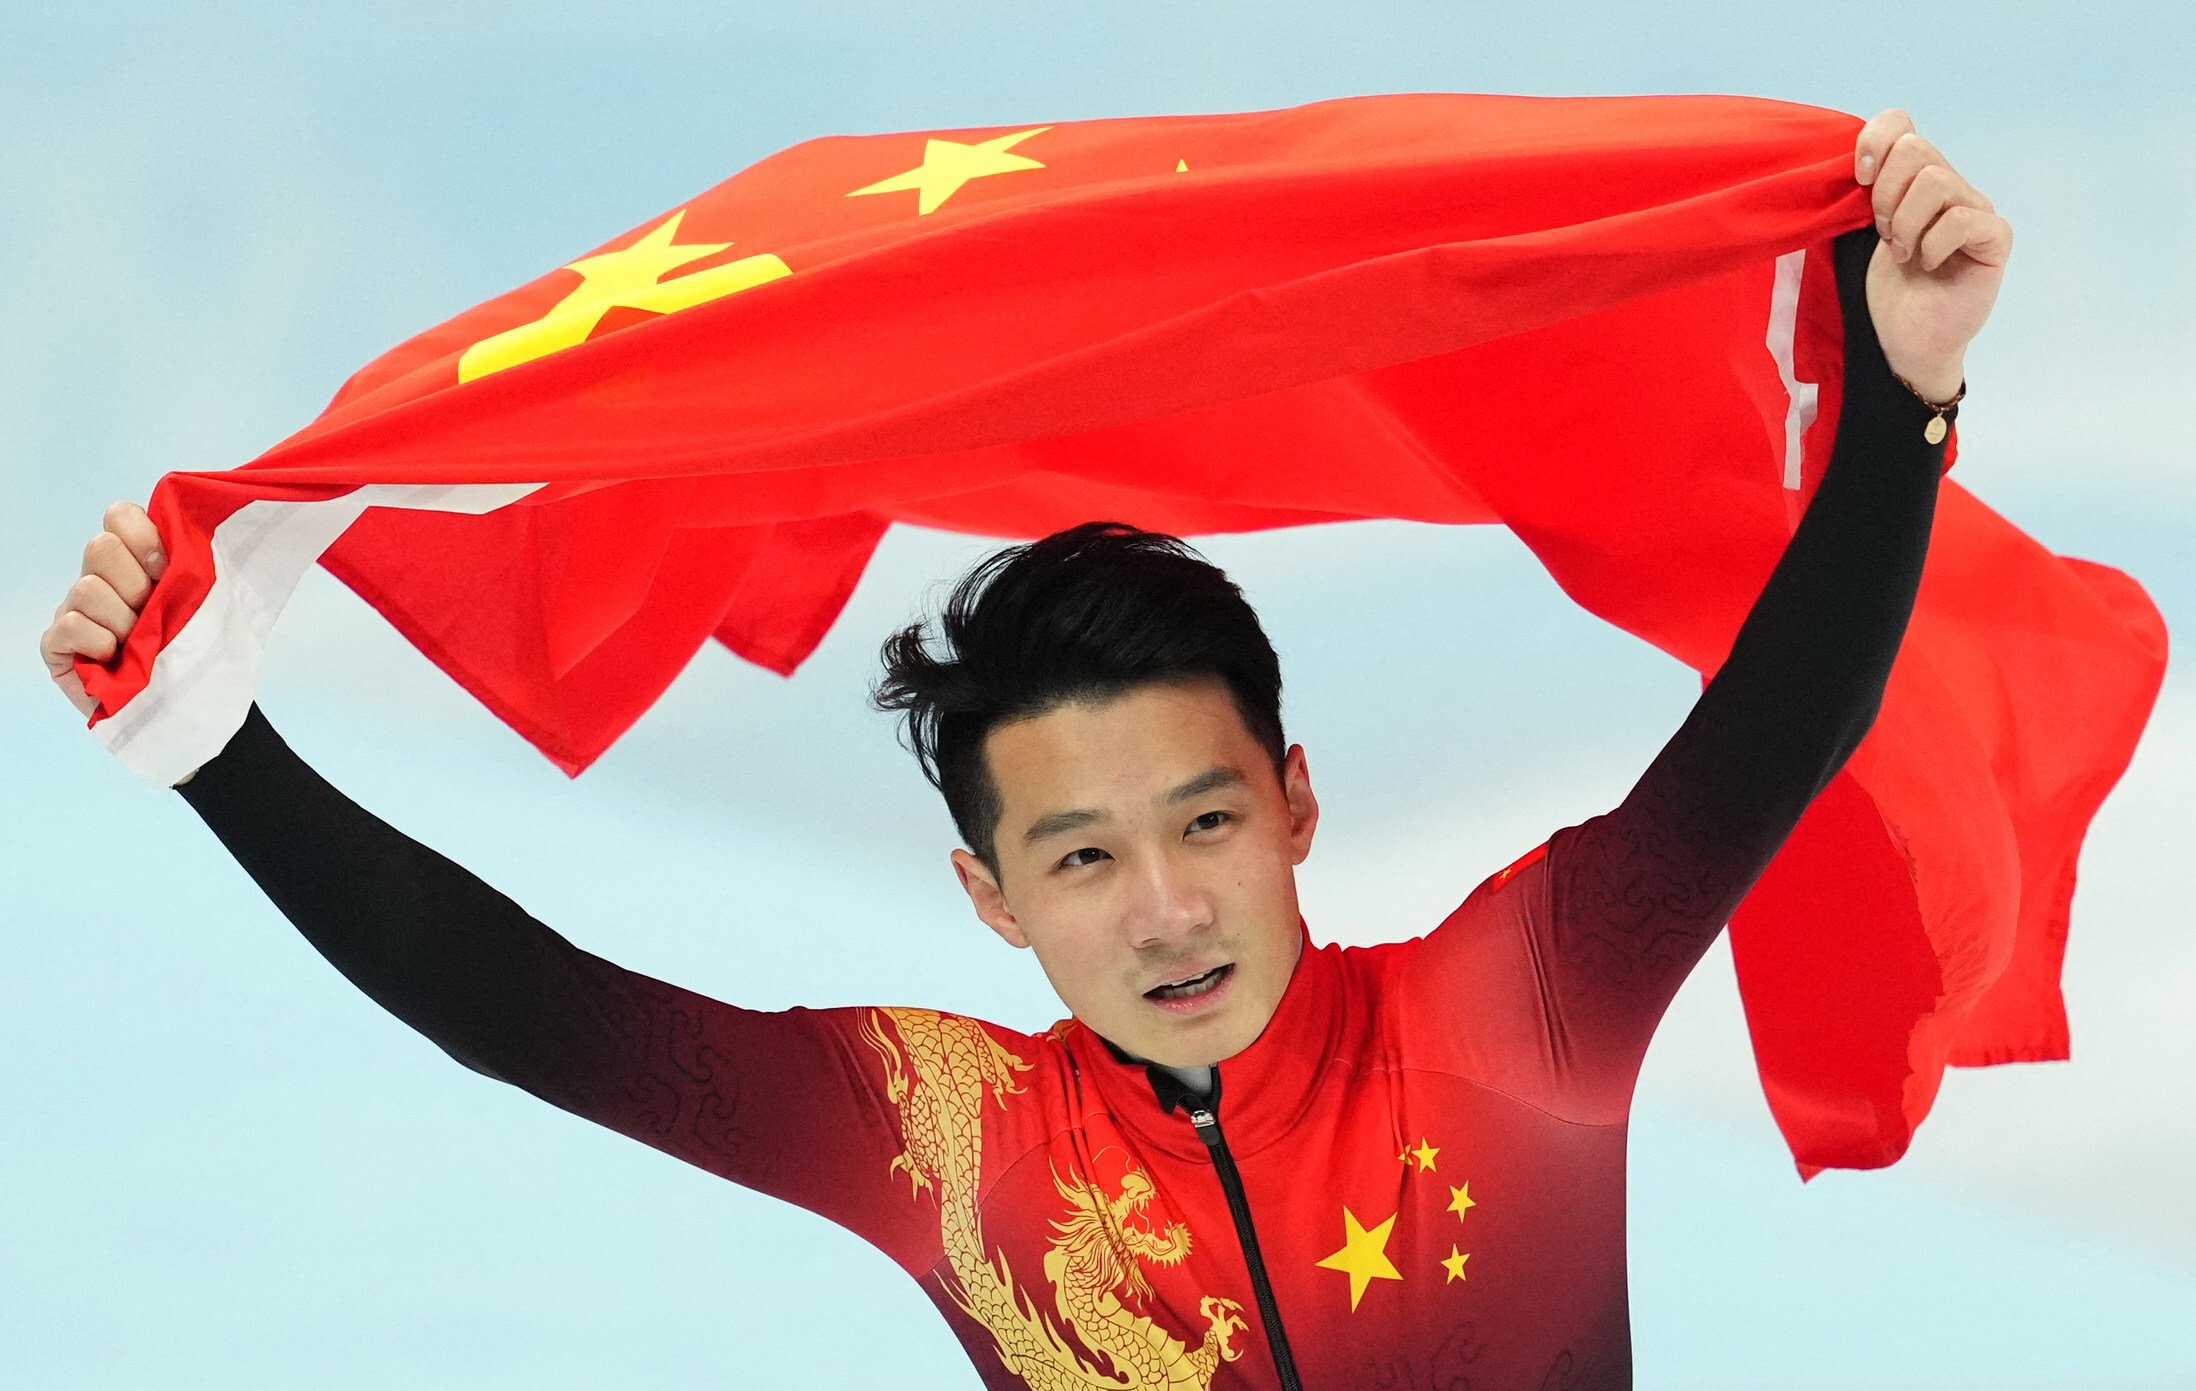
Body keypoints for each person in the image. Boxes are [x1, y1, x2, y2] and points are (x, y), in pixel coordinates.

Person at [42, 108, 2008, 1390]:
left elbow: (1776, 732)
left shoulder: (1518, 1012)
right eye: (1079, 857)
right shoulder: (949, 1145)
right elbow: (541, 1013)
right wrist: (217, 747)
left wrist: (1902, 392)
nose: (1165, 908)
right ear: (985, 896)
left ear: (1298, 805)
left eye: (1206, 818)